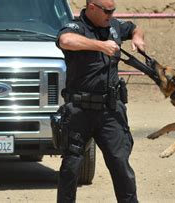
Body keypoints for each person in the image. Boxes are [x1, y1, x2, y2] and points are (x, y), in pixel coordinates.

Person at [55, 0, 144, 202]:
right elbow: (65, 40)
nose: (111, 15)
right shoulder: (76, 27)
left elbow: (135, 28)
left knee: (121, 165)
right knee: (71, 167)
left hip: (110, 111)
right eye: (107, 11)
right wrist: (100, 46)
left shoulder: (113, 25)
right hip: (80, 111)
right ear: (92, 8)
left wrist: (138, 38)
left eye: (114, 10)